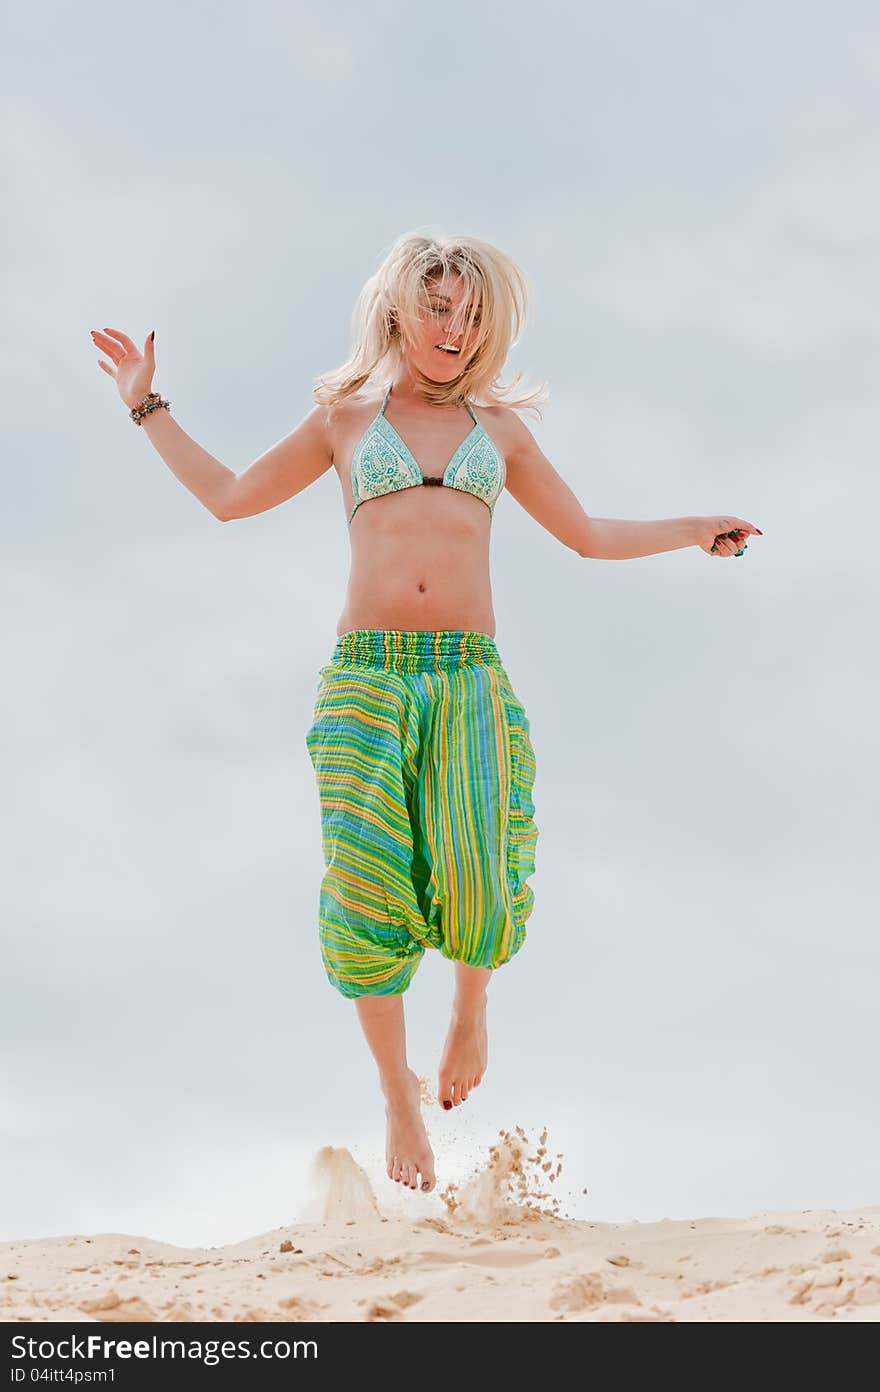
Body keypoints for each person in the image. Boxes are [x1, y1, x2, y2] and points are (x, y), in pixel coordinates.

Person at [90, 230, 761, 1197]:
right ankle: (398, 1099)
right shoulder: (345, 420)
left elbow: (587, 534)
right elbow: (232, 499)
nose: (455, 329)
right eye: (440, 308)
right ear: (401, 309)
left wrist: (692, 529)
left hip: (468, 676)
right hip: (369, 675)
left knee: (481, 863)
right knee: (366, 885)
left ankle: (468, 1012)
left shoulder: (503, 432)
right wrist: (146, 407)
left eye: (473, 316)